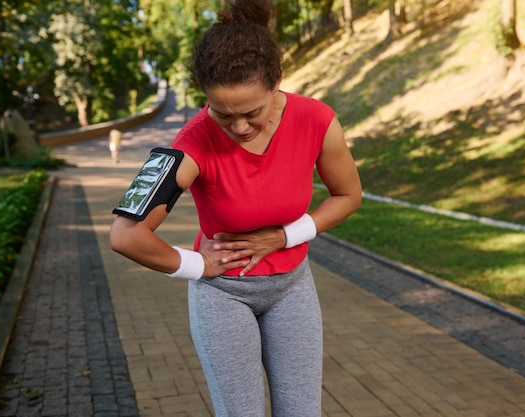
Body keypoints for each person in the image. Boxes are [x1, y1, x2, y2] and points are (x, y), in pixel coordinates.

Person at [109, 0, 362, 415]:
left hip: (292, 288)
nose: (239, 127)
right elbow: (125, 234)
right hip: (223, 297)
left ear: (277, 82)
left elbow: (348, 195)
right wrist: (196, 265)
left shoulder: (316, 120)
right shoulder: (189, 142)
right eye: (222, 114)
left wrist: (284, 236)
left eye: (252, 112)